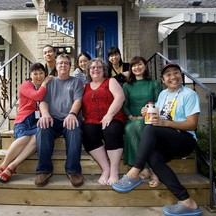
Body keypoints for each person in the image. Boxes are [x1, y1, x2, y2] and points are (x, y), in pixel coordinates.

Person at [112, 63, 202, 216]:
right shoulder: (163, 94)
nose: (173, 77)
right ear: (163, 79)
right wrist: (147, 111)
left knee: (151, 128)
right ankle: (188, 202)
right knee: (154, 157)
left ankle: (135, 171)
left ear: (181, 76)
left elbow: (192, 124)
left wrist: (164, 123)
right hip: (167, 138)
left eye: (176, 73)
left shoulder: (189, 94)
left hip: (185, 139)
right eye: (168, 75)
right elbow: (158, 116)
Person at [0, 63, 52, 183]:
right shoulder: (26, 85)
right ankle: (3, 166)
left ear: (45, 74)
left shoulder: (46, 87)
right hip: (24, 119)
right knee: (24, 139)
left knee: (36, 139)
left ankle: (11, 167)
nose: (38, 76)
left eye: (41, 73)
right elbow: (37, 97)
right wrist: (44, 83)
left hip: (37, 121)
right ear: (30, 75)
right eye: (35, 73)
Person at [35, 54, 85, 187]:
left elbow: (78, 100)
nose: (63, 65)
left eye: (66, 63)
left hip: (69, 117)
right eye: (60, 63)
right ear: (56, 66)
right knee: (42, 128)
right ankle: (44, 170)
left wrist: (72, 114)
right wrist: (45, 114)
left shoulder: (76, 82)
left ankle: (73, 170)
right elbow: (43, 101)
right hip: (52, 118)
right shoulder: (50, 82)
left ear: (70, 66)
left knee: (75, 130)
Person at [82, 58, 125, 185]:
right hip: (92, 120)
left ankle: (114, 171)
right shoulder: (85, 87)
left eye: (99, 67)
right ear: (89, 71)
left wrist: (109, 115)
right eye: (93, 67)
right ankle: (106, 169)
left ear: (104, 70)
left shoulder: (110, 81)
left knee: (111, 130)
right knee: (87, 132)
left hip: (113, 117)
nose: (96, 69)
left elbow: (120, 97)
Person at [122, 56, 161, 187]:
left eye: (139, 65)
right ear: (131, 69)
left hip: (150, 118)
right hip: (133, 119)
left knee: (139, 127)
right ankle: (146, 167)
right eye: (133, 66)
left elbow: (158, 102)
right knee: (130, 128)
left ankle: (150, 169)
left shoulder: (154, 83)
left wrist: (149, 111)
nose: (136, 68)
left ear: (145, 66)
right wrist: (130, 116)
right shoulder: (127, 86)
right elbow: (125, 105)